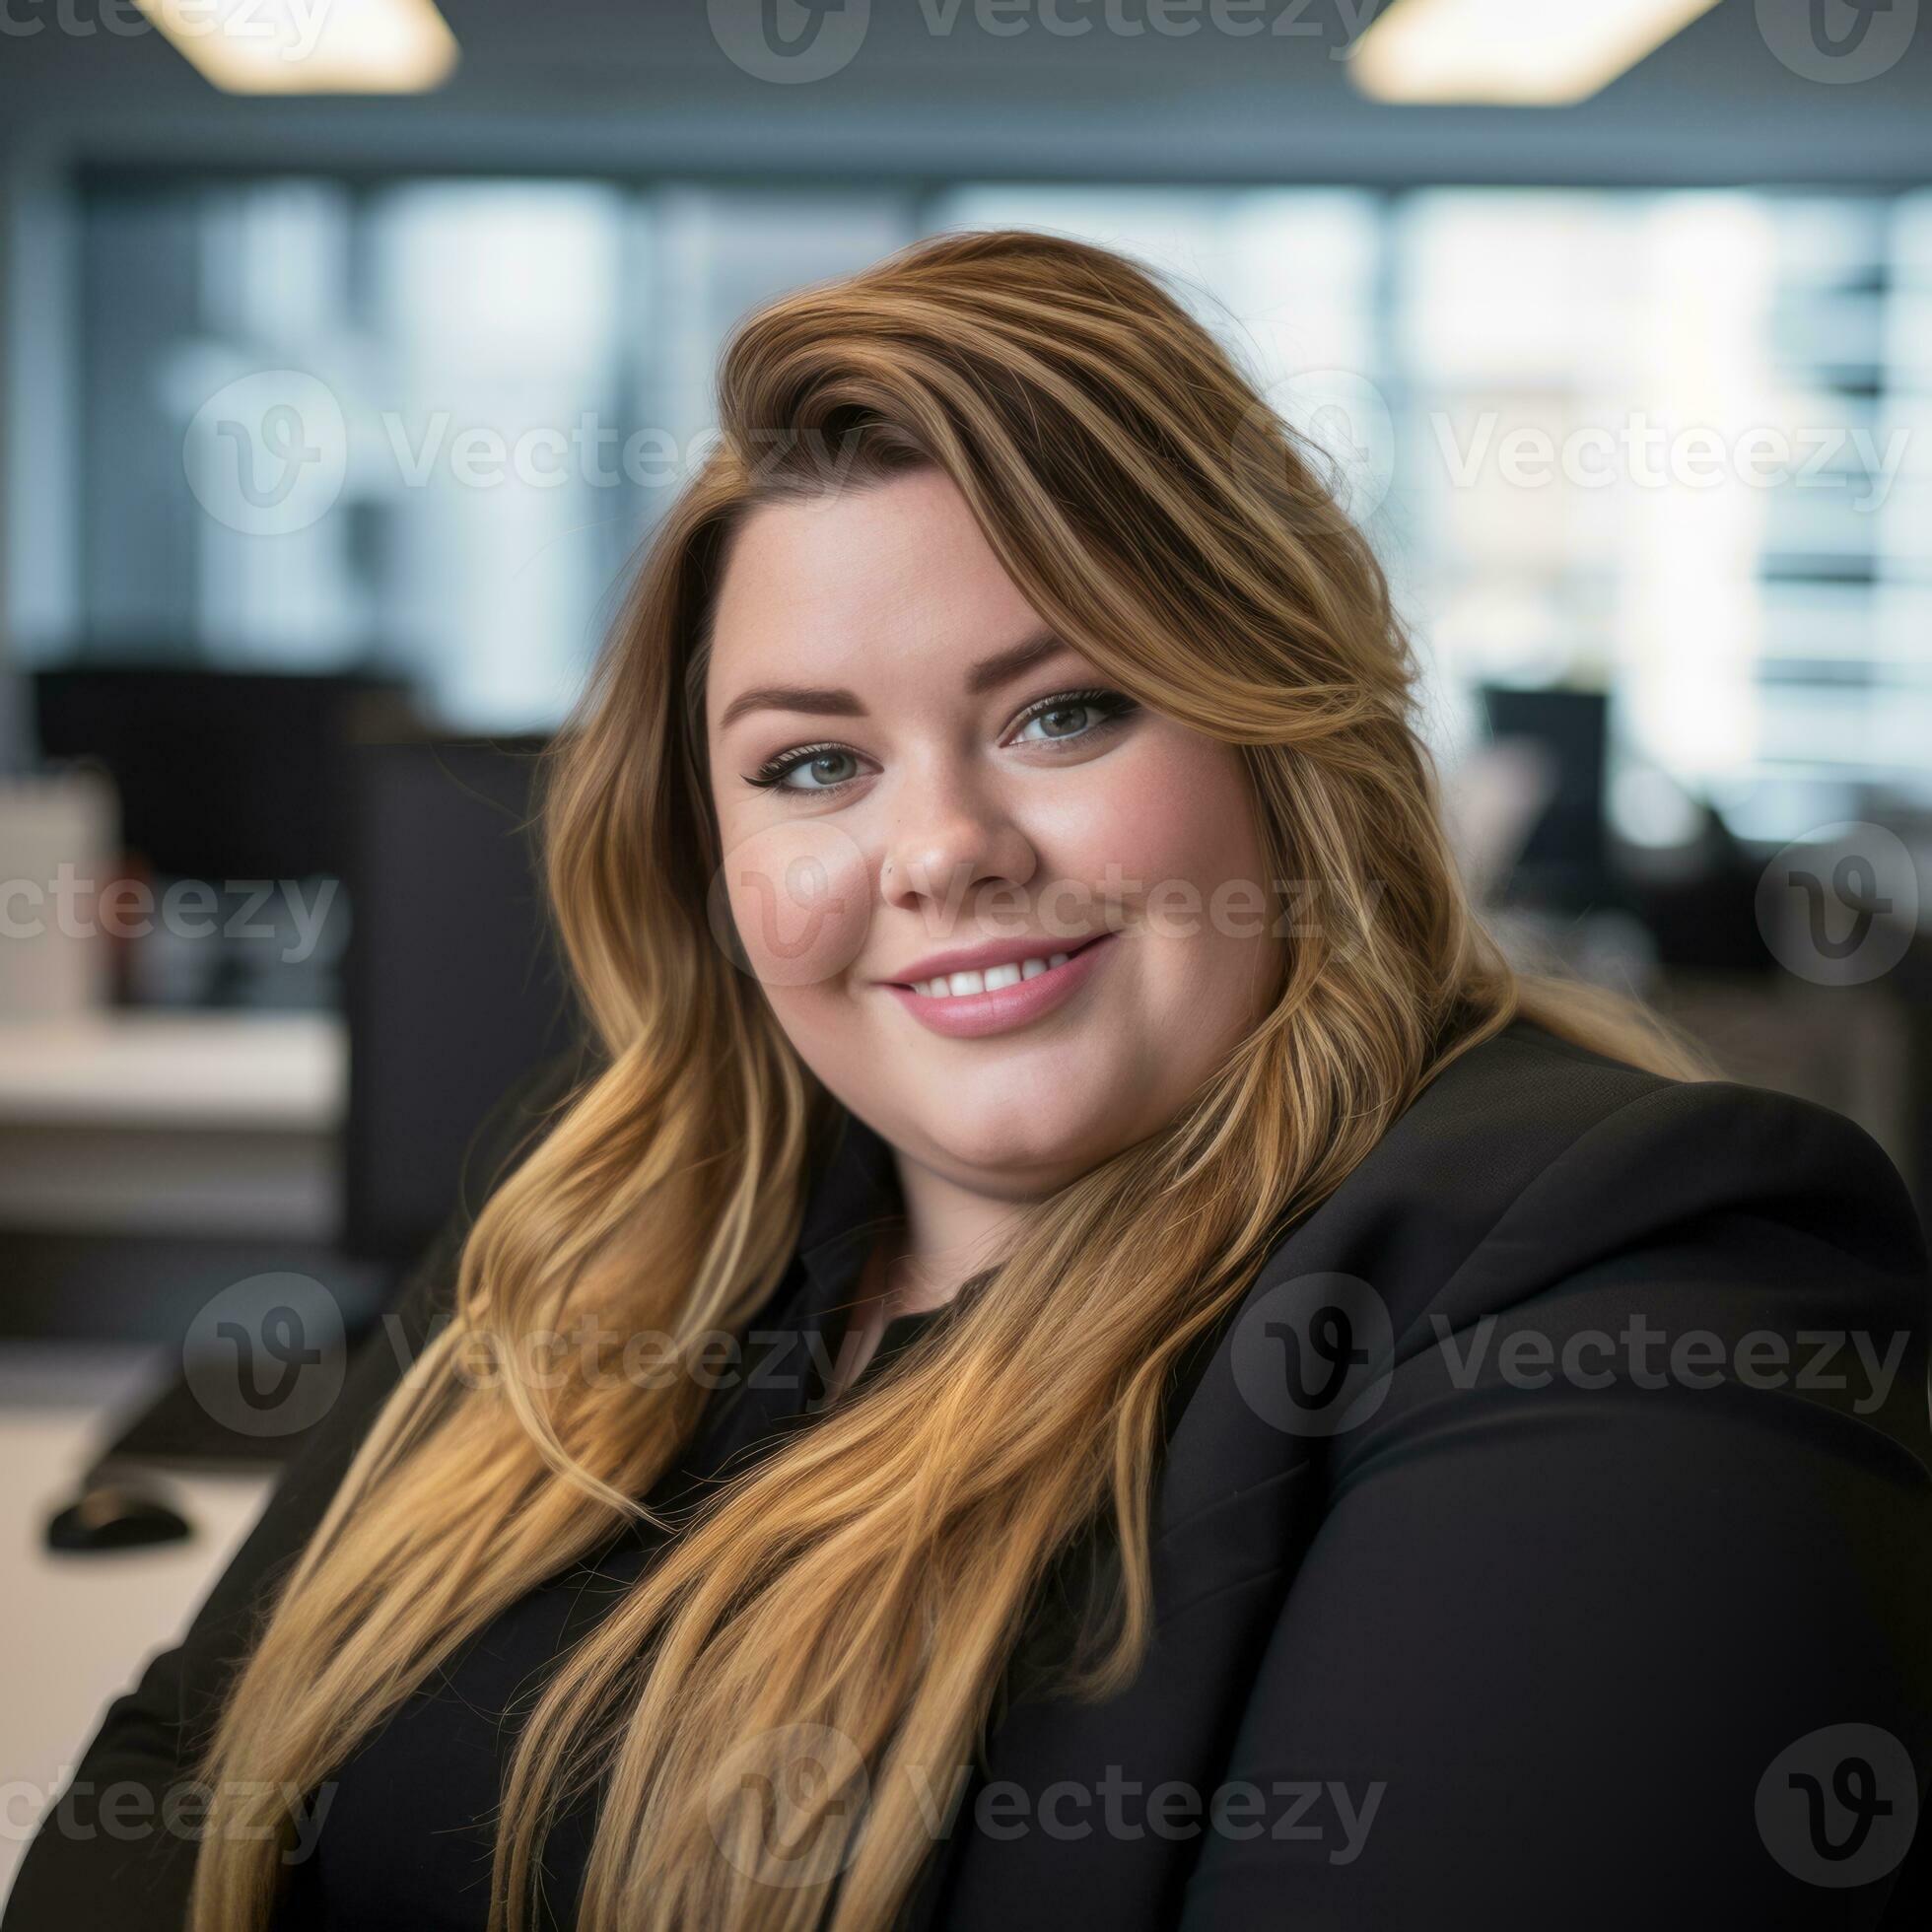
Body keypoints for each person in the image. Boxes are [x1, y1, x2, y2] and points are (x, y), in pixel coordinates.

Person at [8, 229, 1928, 1932]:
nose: (939, 849)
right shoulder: (613, 1222)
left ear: (1288, 743)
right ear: (705, 847)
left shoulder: (1623, 1276)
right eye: (811, 762)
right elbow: (179, 1774)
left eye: (1061, 709)